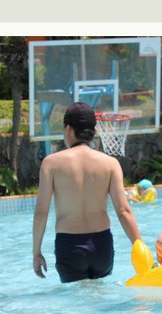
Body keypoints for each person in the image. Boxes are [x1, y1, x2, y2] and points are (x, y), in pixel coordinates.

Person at [32, 102, 142, 283]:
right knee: (100, 294)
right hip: (102, 246)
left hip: (69, 246)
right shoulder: (110, 163)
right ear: (95, 131)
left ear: (68, 129)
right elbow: (123, 211)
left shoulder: (51, 163)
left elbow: (41, 212)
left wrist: (36, 252)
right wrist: (141, 249)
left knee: (75, 299)